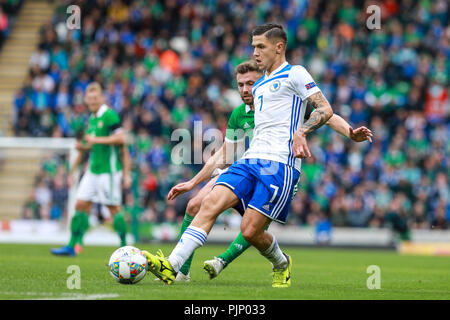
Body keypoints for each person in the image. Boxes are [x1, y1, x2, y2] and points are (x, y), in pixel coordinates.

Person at [144, 23, 352, 287]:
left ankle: (280, 261)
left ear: (279, 47)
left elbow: (325, 109)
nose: (255, 52)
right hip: (250, 161)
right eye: (253, 46)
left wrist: (305, 131)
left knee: (251, 231)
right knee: (206, 203)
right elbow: (226, 151)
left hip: (279, 165)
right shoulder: (260, 87)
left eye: (260, 46)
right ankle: (173, 266)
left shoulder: (295, 74)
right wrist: (194, 182)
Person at [167, 60, 373, 282]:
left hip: (277, 171)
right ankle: (181, 271)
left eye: (251, 83)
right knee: (194, 204)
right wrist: (192, 183)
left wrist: (350, 133)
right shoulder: (240, 114)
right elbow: (224, 155)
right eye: (240, 85)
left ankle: (230, 260)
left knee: (251, 230)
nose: (245, 90)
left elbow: (328, 116)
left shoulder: (283, 104)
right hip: (248, 167)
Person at [51, 82, 131, 256]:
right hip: (92, 171)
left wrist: (126, 173)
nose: (93, 101)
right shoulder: (92, 118)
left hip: (108, 172)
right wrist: (73, 169)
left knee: (114, 209)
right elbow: (90, 143)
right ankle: (72, 245)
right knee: (80, 205)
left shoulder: (109, 115)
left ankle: (125, 247)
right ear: (86, 100)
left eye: (96, 98)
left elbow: (121, 139)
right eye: (90, 98)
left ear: (101, 98)